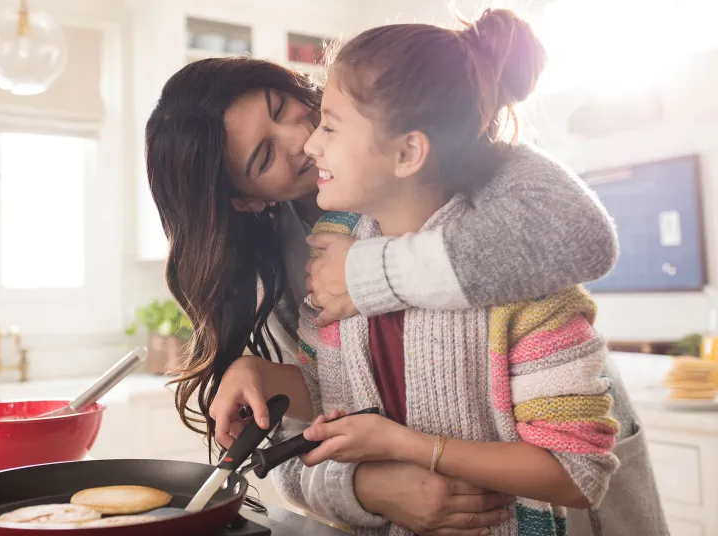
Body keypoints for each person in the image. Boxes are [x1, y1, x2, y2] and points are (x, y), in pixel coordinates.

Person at [144, 48, 651, 536]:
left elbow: (582, 236)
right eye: (264, 156)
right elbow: (309, 421)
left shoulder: (449, 153)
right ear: (246, 201)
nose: (303, 136)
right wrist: (367, 488)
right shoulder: (276, 276)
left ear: (411, 151)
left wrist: (364, 276)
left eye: (283, 107)